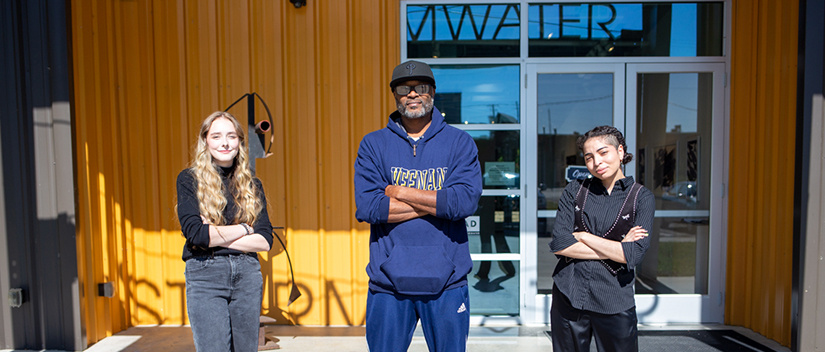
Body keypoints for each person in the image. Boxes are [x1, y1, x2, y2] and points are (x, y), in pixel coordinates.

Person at [354, 60, 482, 352]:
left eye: (420, 87)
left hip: (448, 282)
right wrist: (439, 201)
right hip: (388, 285)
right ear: (395, 95)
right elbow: (369, 207)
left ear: (432, 92)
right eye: (404, 89)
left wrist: (399, 191)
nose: (412, 94)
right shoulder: (373, 144)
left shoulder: (459, 143)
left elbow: (464, 202)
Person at [549, 125, 654, 352]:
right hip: (569, 295)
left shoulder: (641, 197)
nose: (597, 162)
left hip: (614, 299)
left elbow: (634, 254)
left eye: (603, 152)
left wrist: (584, 236)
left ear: (620, 151)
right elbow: (560, 244)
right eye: (589, 157)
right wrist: (618, 248)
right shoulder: (575, 190)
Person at [176, 111, 273, 352]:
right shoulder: (189, 180)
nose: (225, 143)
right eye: (216, 136)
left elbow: (265, 241)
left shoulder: (252, 185)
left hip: (247, 275)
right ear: (205, 141)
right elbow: (197, 235)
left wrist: (214, 234)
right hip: (205, 273)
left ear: (240, 142)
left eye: (231, 136)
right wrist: (244, 229)